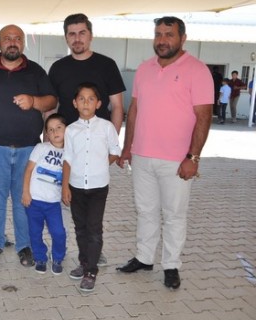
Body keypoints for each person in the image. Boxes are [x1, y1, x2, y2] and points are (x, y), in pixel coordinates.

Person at [117, 16, 213, 289]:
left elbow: (204, 116)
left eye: (169, 34)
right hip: (142, 156)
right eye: (158, 34)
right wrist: (127, 147)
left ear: (183, 38)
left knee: (174, 215)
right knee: (145, 210)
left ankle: (171, 265)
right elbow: (135, 110)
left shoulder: (198, 70)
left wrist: (193, 157)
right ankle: (144, 257)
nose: (162, 40)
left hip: (177, 160)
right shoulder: (144, 68)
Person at [0, 24, 57, 265]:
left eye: (17, 38)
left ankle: (24, 246)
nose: (12, 42)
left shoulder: (36, 71)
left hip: (29, 150)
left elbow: (51, 101)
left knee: (23, 199)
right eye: (7, 38)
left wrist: (33, 101)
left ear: (23, 43)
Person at [61, 84, 121, 292]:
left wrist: (100, 165)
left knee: (94, 229)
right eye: (82, 99)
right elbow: (67, 159)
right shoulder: (70, 130)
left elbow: (114, 151)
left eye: (91, 99)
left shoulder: (106, 127)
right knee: (80, 228)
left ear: (99, 103)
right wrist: (65, 187)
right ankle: (84, 262)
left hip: (98, 187)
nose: (86, 103)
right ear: (74, 103)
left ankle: (91, 271)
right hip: (76, 186)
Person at [49, 13, 126, 133]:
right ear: (66, 38)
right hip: (66, 138)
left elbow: (117, 106)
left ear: (91, 36)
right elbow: (51, 108)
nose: (77, 39)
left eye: (82, 33)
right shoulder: (57, 68)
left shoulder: (107, 65)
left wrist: (113, 140)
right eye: (72, 34)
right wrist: (48, 140)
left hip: (99, 138)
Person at [22, 113, 67, 275]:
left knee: (58, 232)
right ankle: (40, 257)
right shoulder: (41, 148)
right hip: (34, 200)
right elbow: (28, 170)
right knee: (35, 233)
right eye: (51, 129)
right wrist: (25, 192)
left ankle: (58, 257)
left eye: (59, 127)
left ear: (67, 129)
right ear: (46, 134)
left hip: (53, 203)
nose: (55, 132)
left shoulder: (70, 153)